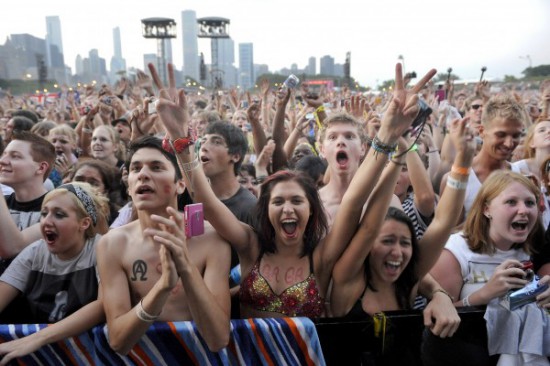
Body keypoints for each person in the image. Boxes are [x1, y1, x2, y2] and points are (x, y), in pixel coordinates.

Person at [152, 62, 439, 319]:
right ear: (265, 209)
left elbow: (353, 205)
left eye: (297, 200)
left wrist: (387, 138)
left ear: (312, 209)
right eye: (278, 201)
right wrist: (181, 139)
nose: (287, 208)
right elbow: (205, 199)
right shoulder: (251, 245)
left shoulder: (322, 257)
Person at [329, 114, 474, 363]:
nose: (398, 252)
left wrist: (463, 161)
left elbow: (442, 223)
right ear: (368, 246)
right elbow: (364, 221)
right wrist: (394, 154)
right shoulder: (348, 277)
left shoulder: (409, 277)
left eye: (405, 243)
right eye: (387, 241)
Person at [96, 136, 230, 354]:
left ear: (180, 184)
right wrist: (163, 287)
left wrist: (186, 268)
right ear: (128, 187)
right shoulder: (112, 244)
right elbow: (118, 341)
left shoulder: (210, 238)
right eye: (135, 169)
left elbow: (218, 339)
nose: (143, 175)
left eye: (156, 167)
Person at [429, 170, 550, 365]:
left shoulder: (535, 250)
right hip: (468, 354)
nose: (524, 210)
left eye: (530, 202)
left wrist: (544, 297)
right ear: (487, 209)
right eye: (511, 202)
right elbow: (435, 320)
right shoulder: (456, 250)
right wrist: (485, 294)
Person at [0, 182, 109, 322]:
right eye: (44, 214)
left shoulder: (102, 248)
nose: (46, 221)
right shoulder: (35, 251)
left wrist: (34, 340)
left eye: (59, 215)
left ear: (84, 223)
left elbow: (102, 307)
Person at [441, 94, 526, 219]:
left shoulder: (522, 176)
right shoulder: (456, 180)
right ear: (482, 132)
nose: (509, 143)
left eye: (516, 136)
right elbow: (448, 232)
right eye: (501, 135)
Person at [0, 131, 56, 274]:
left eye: (15, 156)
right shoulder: (4, 202)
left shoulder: (58, 209)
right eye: (4, 154)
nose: (3, 161)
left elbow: (12, 248)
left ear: (41, 168)